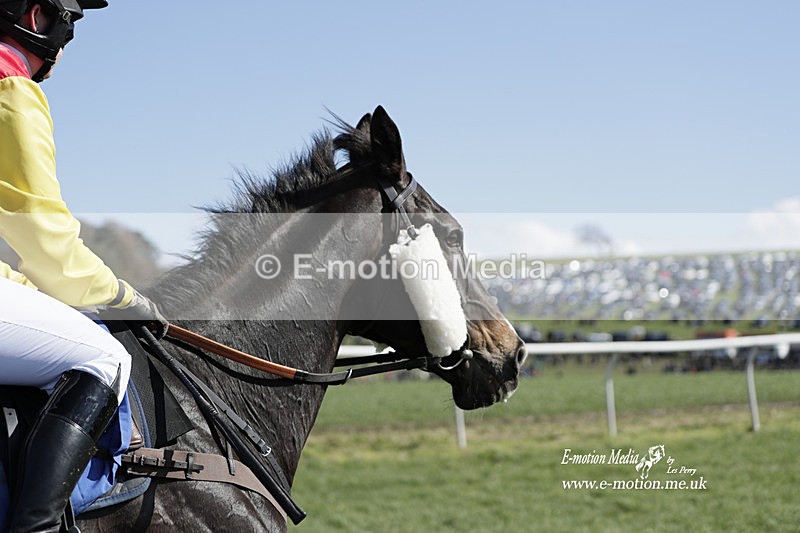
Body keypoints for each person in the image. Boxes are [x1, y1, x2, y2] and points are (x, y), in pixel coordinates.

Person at [0, 1, 168, 531]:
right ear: (35, 16)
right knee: (105, 359)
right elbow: (44, 239)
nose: (68, 41)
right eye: (68, 21)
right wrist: (121, 295)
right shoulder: (10, 85)